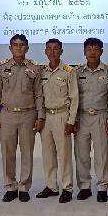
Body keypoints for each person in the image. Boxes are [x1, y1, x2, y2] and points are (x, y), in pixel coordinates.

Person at [0, 34, 44, 203]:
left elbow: (38, 94)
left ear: (27, 48)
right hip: (7, 115)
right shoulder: (2, 68)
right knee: (7, 153)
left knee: (27, 153)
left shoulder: (34, 68)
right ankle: (10, 186)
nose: (18, 47)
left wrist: (40, 116)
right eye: (15, 45)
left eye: (22, 45)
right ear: (10, 48)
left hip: (28, 115)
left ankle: (24, 187)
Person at [36, 38, 78, 203]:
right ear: (45, 51)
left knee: (64, 154)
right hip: (46, 116)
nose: (52, 52)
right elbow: (39, 96)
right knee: (48, 154)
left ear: (61, 51)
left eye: (56, 48)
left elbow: (74, 98)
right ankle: (51, 186)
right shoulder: (42, 72)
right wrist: (40, 117)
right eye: (49, 48)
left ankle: (67, 188)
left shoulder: (69, 71)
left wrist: (71, 121)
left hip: (62, 115)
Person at [74, 38, 108, 203]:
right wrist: (74, 119)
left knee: (102, 154)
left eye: (96, 49)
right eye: (89, 49)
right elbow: (74, 97)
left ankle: (102, 187)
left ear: (101, 52)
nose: (92, 53)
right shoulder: (77, 72)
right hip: (82, 117)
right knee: (81, 154)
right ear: (84, 52)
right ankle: (84, 186)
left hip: (100, 116)